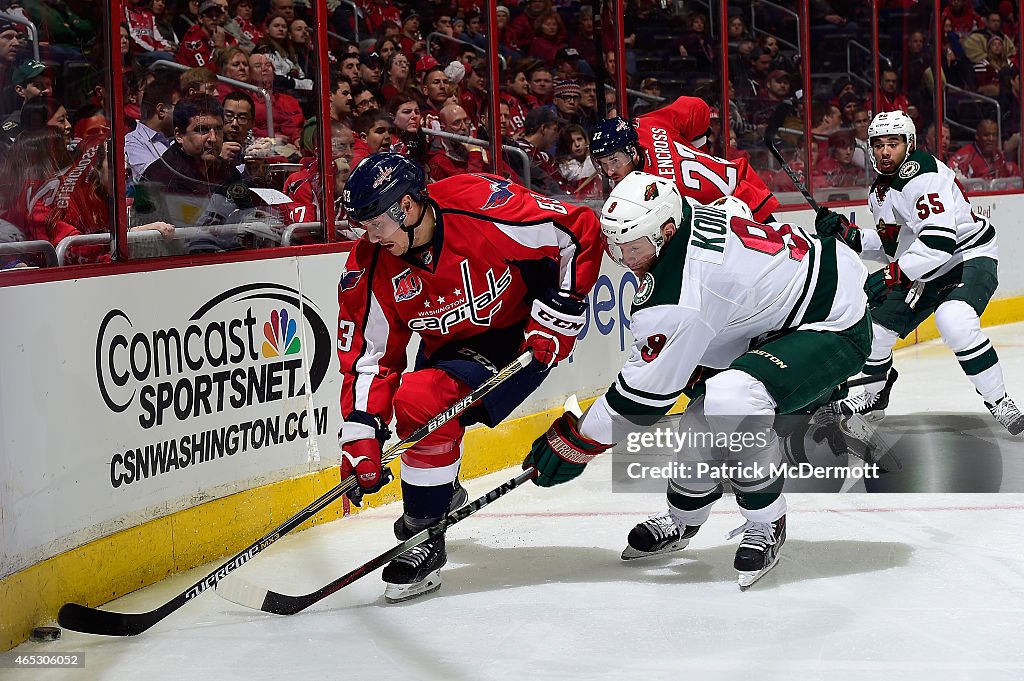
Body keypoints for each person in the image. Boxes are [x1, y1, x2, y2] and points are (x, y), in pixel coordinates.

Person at [521, 172, 870, 588]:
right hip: (783, 312)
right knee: (701, 422)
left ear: (665, 231)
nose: (622, 256)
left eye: (631, 245)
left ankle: (767, 519)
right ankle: (683, 519)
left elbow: (641, 402)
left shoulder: (681, 289)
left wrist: (578, 443)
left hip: (831, 321)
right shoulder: (680, 220)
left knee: (732, 398)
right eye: (614, 243)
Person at [336, 152, 604, 602]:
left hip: (523, 333)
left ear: (406, 206)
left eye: (375, 221)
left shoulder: (481, 207)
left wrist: (560, 314)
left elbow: (577, 230)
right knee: (418, 402)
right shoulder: (369, 266)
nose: (369, 234)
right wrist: (361, 434)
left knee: (421, 401)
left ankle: (422, 528)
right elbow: (370, 358)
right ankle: (434, 509)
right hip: (452, 347)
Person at [818, 110, 1022, 434]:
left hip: (966, 256)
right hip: (925, 266)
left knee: (954, 320)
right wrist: (850, 235)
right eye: (879, 144)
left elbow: (939, 243)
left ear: (909, 144)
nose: (885, 152)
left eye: (893, 144)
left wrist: (888, 276)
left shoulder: (922, 173)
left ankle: (999, 401)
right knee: (875, 333)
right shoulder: (879, 192)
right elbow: (896, 246)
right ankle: (874, 396)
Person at [589, 98, 781, 222]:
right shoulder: (644, 126)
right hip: (741, 180)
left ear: (632, 152)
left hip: (739, 205)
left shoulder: (649, 188)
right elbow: (697, 108)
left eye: (614, 161)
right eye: (603, 164)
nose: (610, 172)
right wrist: (700, 150)